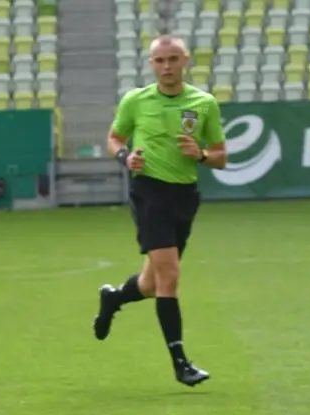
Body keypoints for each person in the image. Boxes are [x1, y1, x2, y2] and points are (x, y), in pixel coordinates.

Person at [93, 35, 226, 388]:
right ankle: (181, 364)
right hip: (149, 193)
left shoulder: (204, 103)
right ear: (151, 64)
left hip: (184, 195)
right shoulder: (136, 100)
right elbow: (114, 139)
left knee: (151, 284)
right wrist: (126, 158)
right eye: (160, 60)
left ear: (185, 61)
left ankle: (113, 298)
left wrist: (200, 155)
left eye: (173, 59)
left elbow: (221, 157)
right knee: (170, 277)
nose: (166, 66)